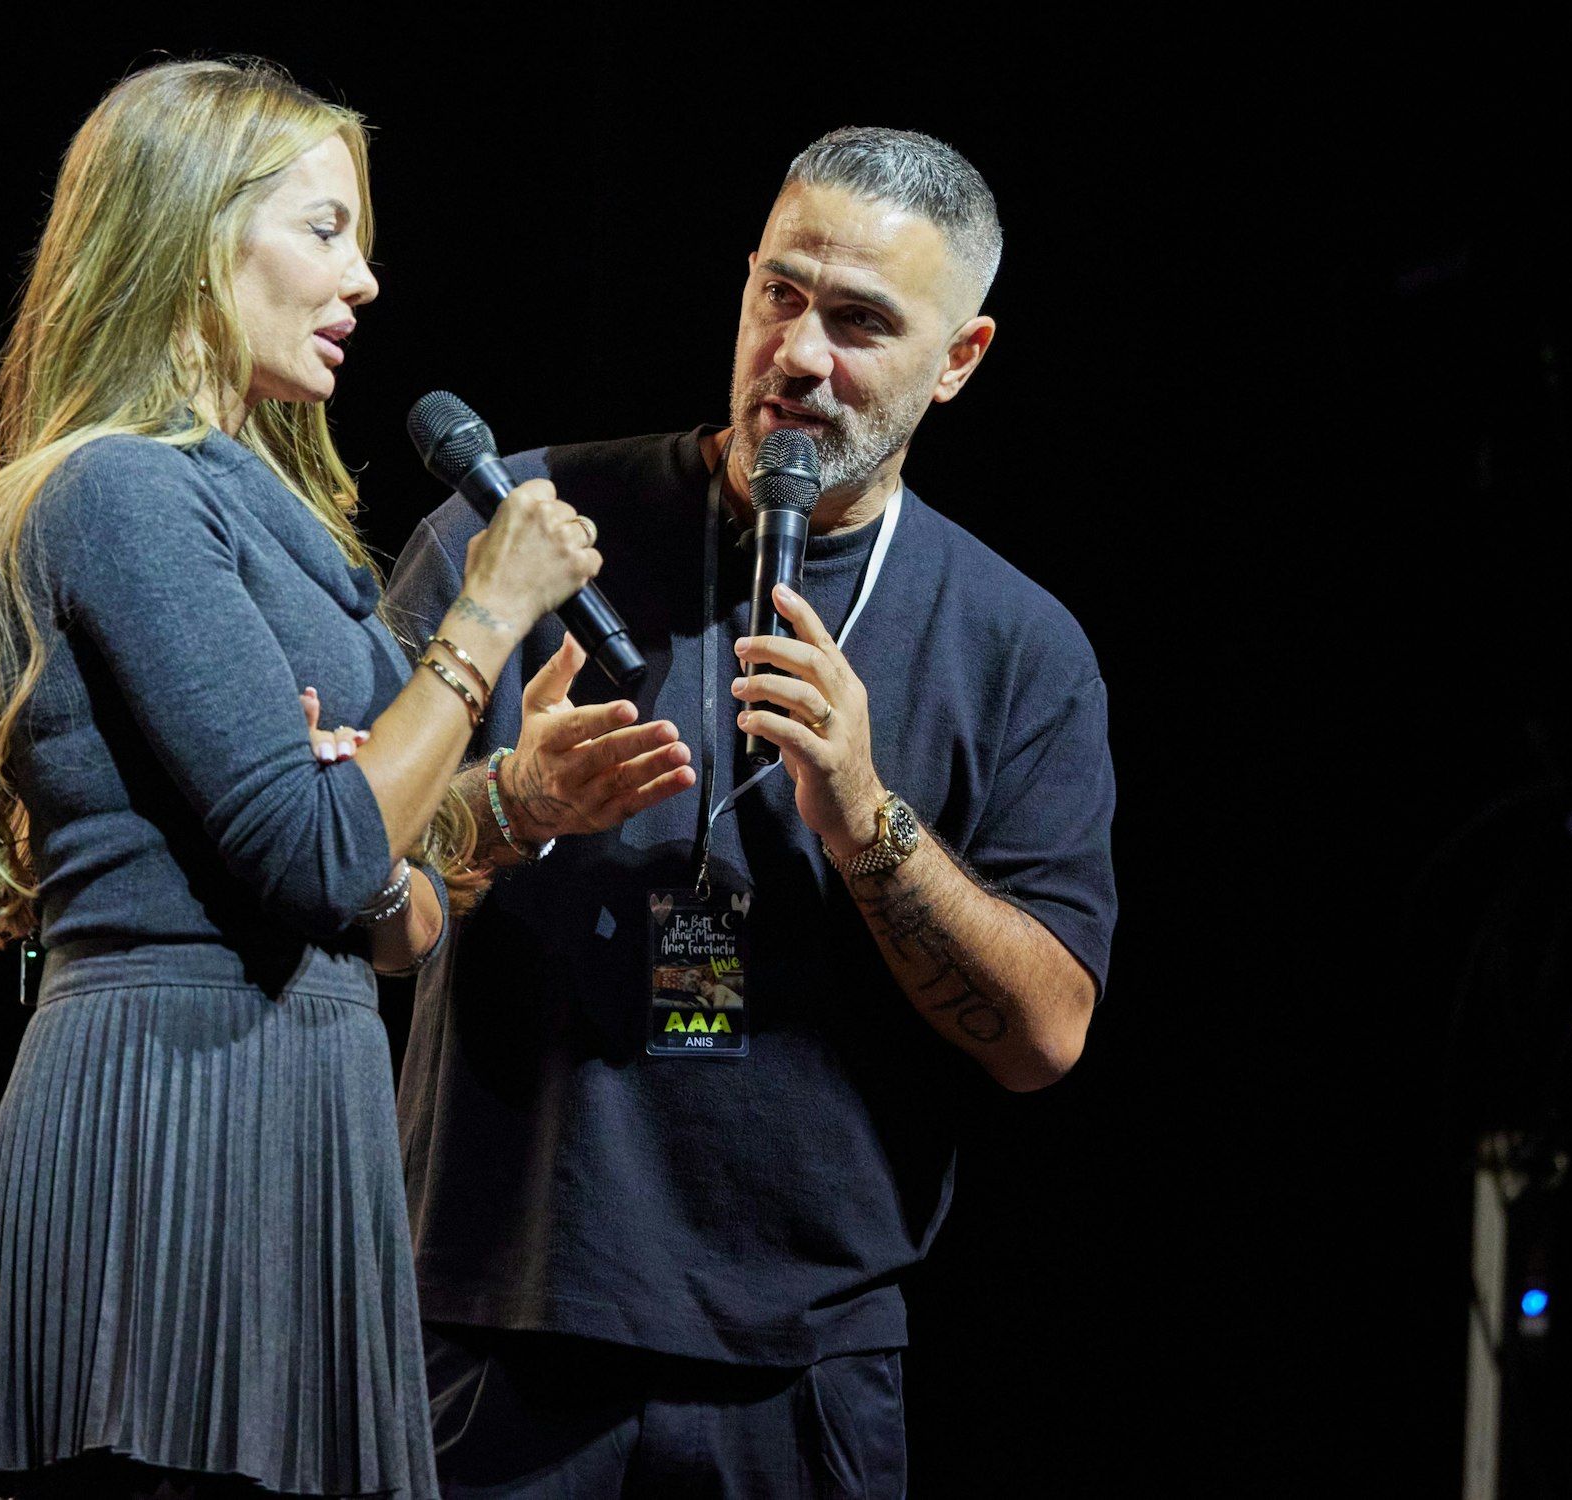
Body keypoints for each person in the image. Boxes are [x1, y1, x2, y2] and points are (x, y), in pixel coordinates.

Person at [0, 59, 616, 1500]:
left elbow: (390, 907)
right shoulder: (116, 490)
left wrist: (494, 800)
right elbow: (325, 857)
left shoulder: (285, 524)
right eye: (327, 229)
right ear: (199, 235)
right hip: (175, 1101)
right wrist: (482, 611)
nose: (367, 279)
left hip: (303, 1088)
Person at [384, 126, 1118, 1495]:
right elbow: (332, 889)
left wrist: (869, 820)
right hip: (492, 1330)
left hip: (804, 1378)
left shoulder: (1020, 644)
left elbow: (1043, 1039)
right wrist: (506, 807)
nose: (797, 356)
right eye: (780, 294)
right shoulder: (523, 535)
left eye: (859, 322)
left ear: (960, 360)